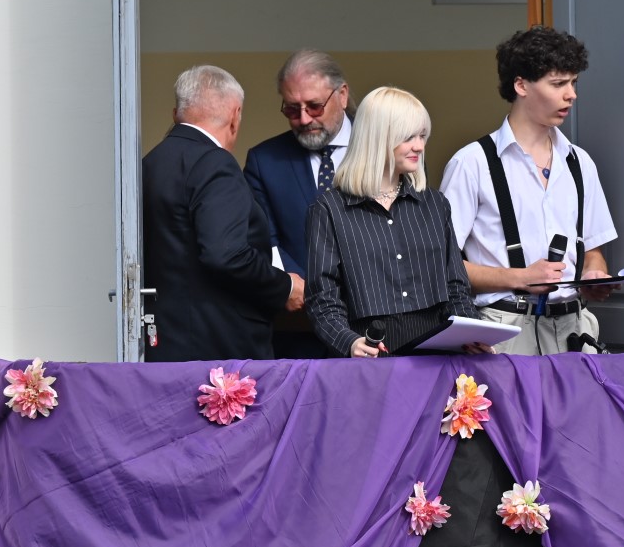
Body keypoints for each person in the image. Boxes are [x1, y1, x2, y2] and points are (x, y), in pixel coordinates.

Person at [439, 27, 619, 355]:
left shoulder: (580, 163)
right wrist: (520, 277)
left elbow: (593, 249)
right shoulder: (472, 163)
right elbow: (442, 265)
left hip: (574, 330)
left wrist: (594, 273)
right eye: (558, 84)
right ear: (521, 85)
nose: (571, 94)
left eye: (574, 82)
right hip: (503, 331)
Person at [304, 87, 484, 358]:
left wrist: (473, 334)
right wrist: (349, 342)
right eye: (408, 137)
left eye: (422, 136)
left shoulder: (435, 204)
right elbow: (322, 299)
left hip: (436, 360)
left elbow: (456, 287)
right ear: (378, 137)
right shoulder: (328, 210)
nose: (419, 146)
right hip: (368, 361)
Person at [141, 65, 304, 363]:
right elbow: (226, 254)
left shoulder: (150, 163)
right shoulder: (214, 163)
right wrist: (285, 287)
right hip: (219, 351)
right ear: (235, 115)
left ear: (176, 113)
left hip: (164, 343)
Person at [242, 50, 353, 357]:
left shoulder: (385, 147)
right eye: (292, 110)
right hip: (300, 329)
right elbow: (264, 238)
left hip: (377, 325)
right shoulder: (265, 160)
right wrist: (294, 285)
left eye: (315, 106)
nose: (304, 119)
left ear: (342, 95)